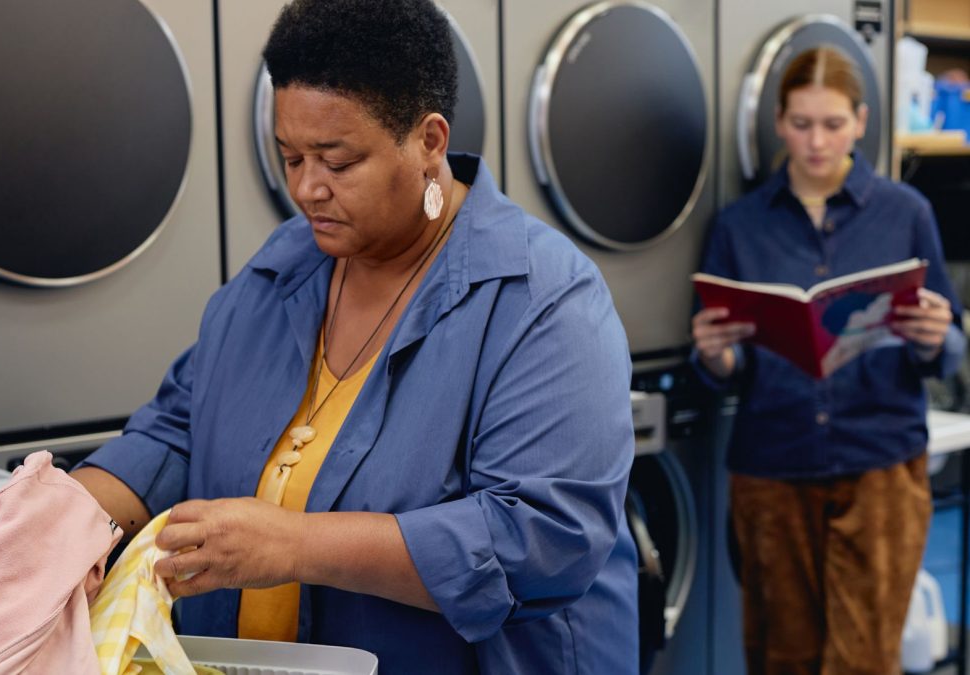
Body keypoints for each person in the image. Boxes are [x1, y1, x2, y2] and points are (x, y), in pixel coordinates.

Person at [71, 1, 639, 672]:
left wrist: (296, 544)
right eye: (290, 156)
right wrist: (61, 521)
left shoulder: (542, 298)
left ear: (429, 140)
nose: (308, 188)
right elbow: (177, 428)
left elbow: (542, 538)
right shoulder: (283, 268)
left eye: (338, 162)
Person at [692, 45, 966, 674]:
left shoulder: (905, 213)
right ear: (779, 122)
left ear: (861, 121)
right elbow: (729, 366)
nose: (817, 141)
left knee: (864, 661)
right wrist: (717, 356)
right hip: (772, 470)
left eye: (834, 124)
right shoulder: (740, 226)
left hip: (881, 469)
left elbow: (949, 349)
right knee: (780, 658)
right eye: (801, 123)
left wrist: (932, 335)